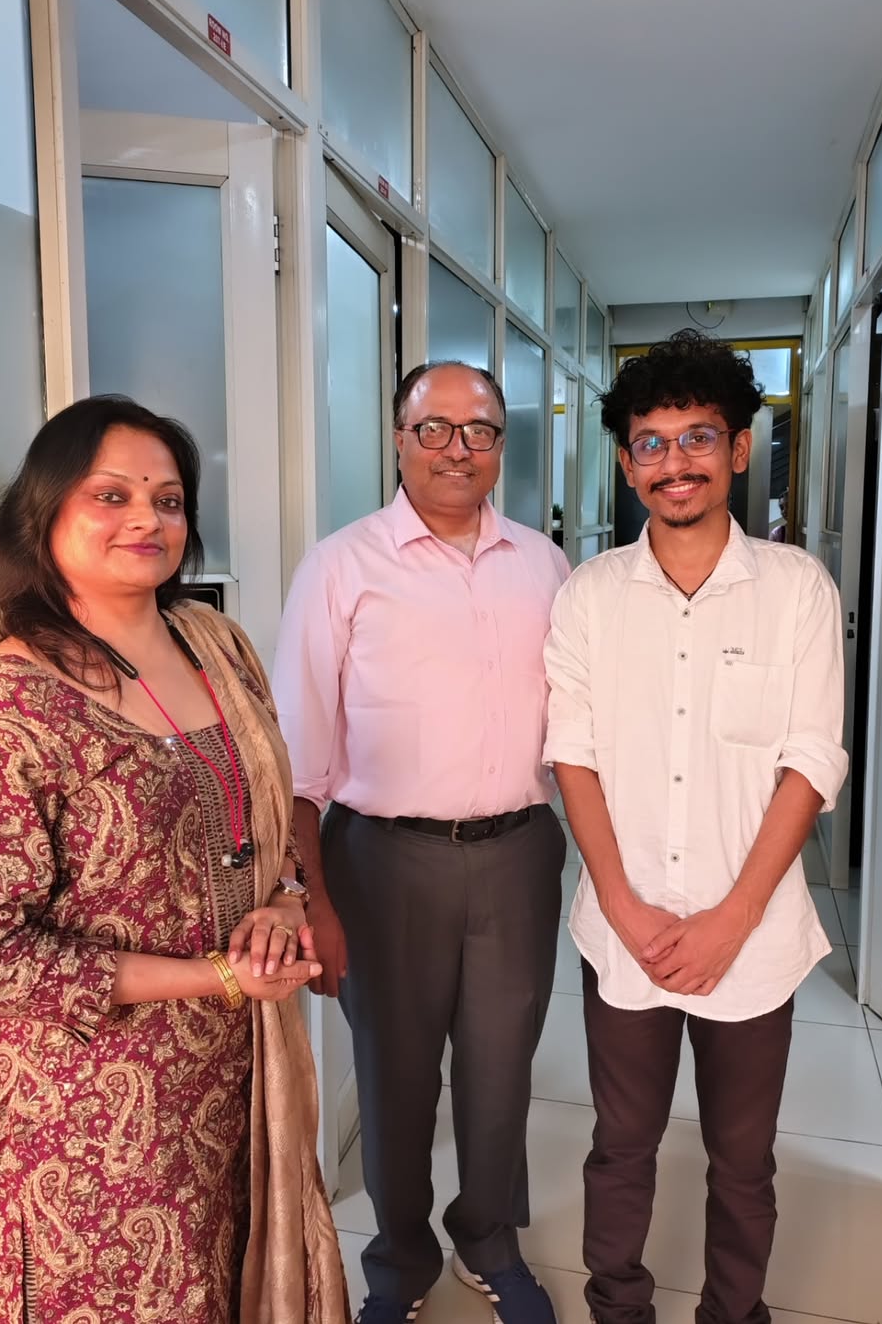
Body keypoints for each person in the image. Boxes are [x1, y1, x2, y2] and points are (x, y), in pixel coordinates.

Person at [0, 396, 350, 1324]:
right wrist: (215, 977)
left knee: (215, 1286)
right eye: (109, 495)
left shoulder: (215, 645)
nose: (146, 520)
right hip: (77, 1120)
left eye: (167, 498)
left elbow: (261, 824)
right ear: (46, 514)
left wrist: (284, 902)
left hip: (225, 1073)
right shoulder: (6, 708)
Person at [543, 330, 848, 1324]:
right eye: (651, 443)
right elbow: (571, 757)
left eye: (697, 436)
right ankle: (617, 1307)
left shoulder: (797, 590)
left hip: (753, 939)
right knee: (620, 1144)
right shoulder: (587, 597)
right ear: (628, 464)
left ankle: (733, 1312)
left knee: (744, 1159)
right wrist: (625, 909)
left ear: (741, 446)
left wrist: (729, 919)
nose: (675, 462)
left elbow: (810, 763)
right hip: (624, 933)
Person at [272, 362, 571, 1324]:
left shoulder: (544, 563)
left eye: (478, 430)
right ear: (398, 440)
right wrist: (309, 895)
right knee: (396, 1075)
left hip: (519, 851)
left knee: (500, 1068)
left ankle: (489, 1237)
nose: (456, 448)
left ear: (500, 446)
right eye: (433, 428)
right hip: (383, 862)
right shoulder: (342, 564)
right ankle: (400, 1264)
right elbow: (300, 754)